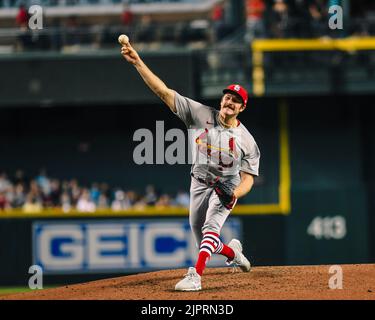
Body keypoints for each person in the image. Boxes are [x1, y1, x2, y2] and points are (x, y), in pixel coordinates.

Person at [120, 38, 260, 291]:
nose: (229, 102)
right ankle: (233, 253)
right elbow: (164, 92)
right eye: (227, 97)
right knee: (205, 241)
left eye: (235, 100)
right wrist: (138, 62)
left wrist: (234, 193)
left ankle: (195, 276)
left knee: (210, 229)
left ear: (242, 107)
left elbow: (249, 177)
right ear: (222, 100)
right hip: (198, 183)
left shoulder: (246, 140)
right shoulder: (199, 113)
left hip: (225, 186)